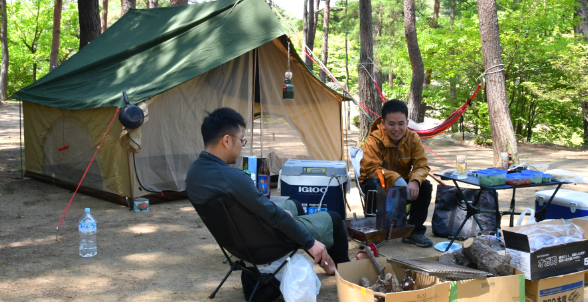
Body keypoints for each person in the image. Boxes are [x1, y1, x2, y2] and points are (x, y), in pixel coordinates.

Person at [185, 107, 350, 273]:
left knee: (294, 205)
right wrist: (310, 243)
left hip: (237, 244)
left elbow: (260, 209)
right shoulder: (232, 177)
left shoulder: (193, 175)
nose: (242, 146)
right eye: (241, 141)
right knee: (334, 219)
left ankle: (324, 261)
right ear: (227, 140)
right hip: (263, 245)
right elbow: (273, 216)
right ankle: (345, 271)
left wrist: (280, 215)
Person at [359, 99, 434, 247]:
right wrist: (395, 178)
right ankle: (376, 232)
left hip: (403, 185)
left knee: (425, 185)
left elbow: (421, 165)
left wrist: (415, 180)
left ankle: (414, 232)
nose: (396, 129)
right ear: (383, 122)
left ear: (407, 122)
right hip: (378, 182)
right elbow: (370, 168)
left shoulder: (413, 138)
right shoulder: (374, 140)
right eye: (391, 124)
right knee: (374, 185)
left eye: (401, 123)